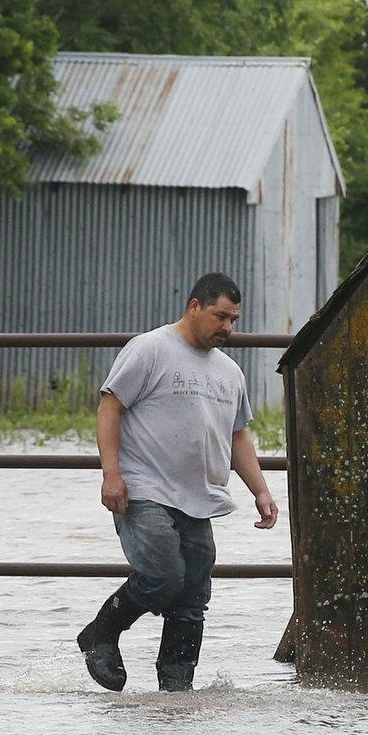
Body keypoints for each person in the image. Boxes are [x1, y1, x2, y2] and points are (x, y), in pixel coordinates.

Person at [76, 273, 279, 691]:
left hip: (199, 498)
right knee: (163, 576)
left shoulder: (229, 372)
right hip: (144, 488)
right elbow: (110, 408)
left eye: (234, 319)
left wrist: (259, 489)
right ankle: (102, 632)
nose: (228, 328)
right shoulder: (151, 349)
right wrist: (111, 474)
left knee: (192, 595)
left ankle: (176, 684)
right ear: (194, 307)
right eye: (221, 316)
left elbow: (237, 435)